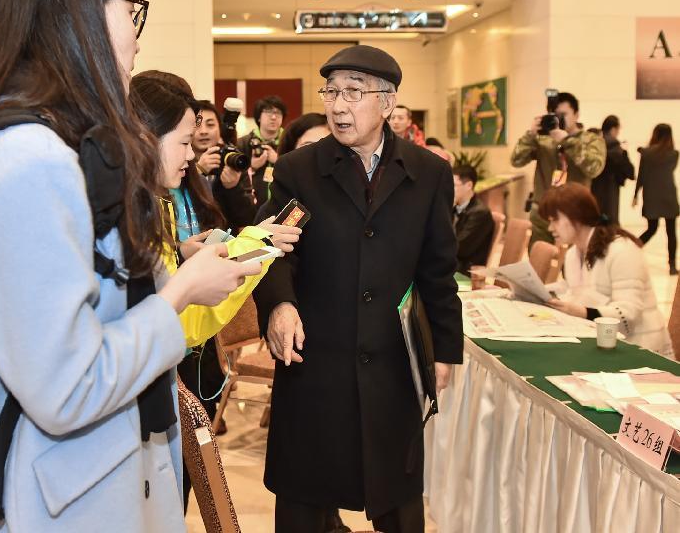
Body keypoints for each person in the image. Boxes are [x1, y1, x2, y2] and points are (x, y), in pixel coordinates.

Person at [0, 0, 262, 531]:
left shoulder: (44, 144)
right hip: (61, 500)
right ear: (79, 13)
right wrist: (181, 291)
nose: (136, 31)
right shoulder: (27, 159)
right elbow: (68, 387)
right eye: (131, 7)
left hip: (78, 483)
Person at [253, 44, 463, 533]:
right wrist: (281, 305)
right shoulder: (297, 171)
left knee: (398, 501)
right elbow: (272, 249)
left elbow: (438, 270)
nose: (338, 105)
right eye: (331, 91)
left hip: (392, 364)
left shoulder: (428, 173)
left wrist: (446, 351)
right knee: (306, 501)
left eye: (354, 92)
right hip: (315, 363)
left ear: (388, 103)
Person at [129, 71, 301, 510]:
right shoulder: (134, 210)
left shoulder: (150, 201)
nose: (193, 153)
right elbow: (186, 320)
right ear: (145, 136)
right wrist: (252, 248)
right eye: (185, 141)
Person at [540, 184, 672, 355]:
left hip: (641, 349)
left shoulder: (622, 249)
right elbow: (572, 289)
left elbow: (628, 313)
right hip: (602, 344)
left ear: (576, 216)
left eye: (554, 220)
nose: (550, 228)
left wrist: (581, 312)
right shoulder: (574, 253)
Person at [510, 91, 606, 246]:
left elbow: (594, 168)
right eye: (555, 115)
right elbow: (516, 161)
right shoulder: (543, 139)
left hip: (574, 216)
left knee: (573, 266)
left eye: (564, 114)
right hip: (542, 214)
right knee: (539, 265)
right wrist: (530, 135)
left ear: (576, 114)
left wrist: (567, 141)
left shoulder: (590, 140)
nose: (559, 119)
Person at [192, 99, 257, 230]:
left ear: (220, 128)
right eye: (197, 124)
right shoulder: (182, 160)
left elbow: (248, 218)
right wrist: (198, 171)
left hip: (227, 242)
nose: (203, 131)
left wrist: (233, 188)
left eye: (210, 125)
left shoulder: (232, 158)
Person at [634, 123, 679, 275]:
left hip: (651, 196)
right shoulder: (674, 154)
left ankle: (632, 249)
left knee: (651, 229)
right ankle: (672, 265)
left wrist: (635, 195)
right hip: (668, 196)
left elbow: (641, 176)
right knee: (671, 232)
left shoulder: (646, 153)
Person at [238, 95, 286, 205]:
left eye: (278, 113)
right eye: (269, 112)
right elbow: (233, 178)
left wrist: (278, 161)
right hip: (251, 206)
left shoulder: (290, 141)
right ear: (259, 117)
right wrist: (252, 167)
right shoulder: (243, 143)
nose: (273, 117)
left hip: (284, 205)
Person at [590, 115, 634, 225]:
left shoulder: (595, 143)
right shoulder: (615, 146)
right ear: (614, 129)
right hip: (610, 189)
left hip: (594, 187)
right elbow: (629, 171)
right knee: (609, 222)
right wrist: (624, 153)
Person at [452, 164, 495, 274]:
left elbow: (461, 248)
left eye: (454, 185)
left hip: (466, 270)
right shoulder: (455, 207)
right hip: (452, 263)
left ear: (469, 185)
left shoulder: (480, 213)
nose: (449, 189)